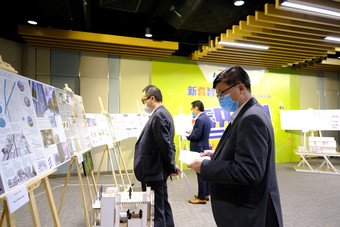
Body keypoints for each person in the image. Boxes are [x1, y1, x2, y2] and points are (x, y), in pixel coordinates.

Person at [188, 66, 283, 227]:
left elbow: (249, 171)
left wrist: (205, 166)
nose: (220, 98)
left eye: (222, 93)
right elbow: (244, 152)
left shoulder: (251, 118)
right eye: (218, 95)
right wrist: (216, 154)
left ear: (240, 88)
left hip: (249, 214)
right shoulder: (249, 113)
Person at [134, 85, 181, 227]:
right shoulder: (162, 113)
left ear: (152, 98)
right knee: (162, 204)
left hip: (153, 170)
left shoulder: (159, 115)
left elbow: (165, 145)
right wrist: (171, 165)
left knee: (157, 209)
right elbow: (165, 144)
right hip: (156, 169)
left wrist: (172, 165)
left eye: (144, 100)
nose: (144, 104)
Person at [186, 100, 212, 204]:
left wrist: (188, 135)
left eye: (192, 108)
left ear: (196, 108)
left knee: (200, 173)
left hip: (198, 149)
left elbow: (196, 136)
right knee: (205, 172)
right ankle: (205, 194)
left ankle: (201, 198)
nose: (192, 110)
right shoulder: (206, 118)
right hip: (204, 147)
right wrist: (192, 132)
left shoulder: (200, 119)